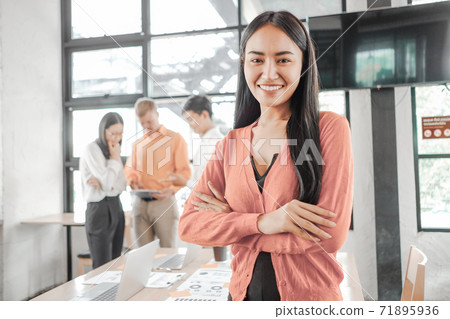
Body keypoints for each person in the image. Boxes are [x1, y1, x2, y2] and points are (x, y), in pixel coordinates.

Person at [178, 11, 353, 301]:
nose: (269, 73)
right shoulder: (231, 143)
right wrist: (263, 222)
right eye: (257, 60)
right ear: (244, 65)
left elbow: (330, 237)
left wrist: (233, 224)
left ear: (303, 64)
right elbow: (189, 225)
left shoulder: (329, 128)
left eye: (283, 59)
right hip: (240, 299)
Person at [125, 98, 191, 248]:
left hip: (164, 203)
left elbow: (184, 172)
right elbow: (130, 169)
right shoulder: (138, 144)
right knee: (142, 255)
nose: (147, 126)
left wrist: (172, 190)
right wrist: (132, 180)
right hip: (140, 204)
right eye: (142, 124)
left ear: (157, 114)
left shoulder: (175, 139)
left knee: (167, 254)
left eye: (150, 121)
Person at [80, 112, 127, 269]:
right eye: (113, 133)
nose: (116, 138)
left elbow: (121, 184)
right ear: (103, 130)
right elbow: (108, 184)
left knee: (115, 263)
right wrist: (114, 159)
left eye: (120, 134)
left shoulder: (114, 149)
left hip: (116, 206)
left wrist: (108, 185)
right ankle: (99, 294)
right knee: (102, 266)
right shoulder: (92, 149)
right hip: (99, 208)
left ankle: (113, 294)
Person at [159, 95, 224, 188]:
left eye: (191, 119)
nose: (190, 125)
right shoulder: (205, 141)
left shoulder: (215, 144)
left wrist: (185, 182)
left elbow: (210, 185)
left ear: (204, 115)